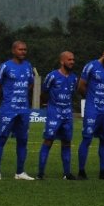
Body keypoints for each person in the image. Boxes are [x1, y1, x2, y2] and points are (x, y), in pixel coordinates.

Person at [0, 40, 35, 181]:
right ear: (13, 51)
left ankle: (20, 172)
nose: (23, 52)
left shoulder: (28, 66)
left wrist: (22, 97)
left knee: (23, 140)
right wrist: (6, 99)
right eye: (20, 49)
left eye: (25, 49)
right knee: (1, 139)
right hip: (8, 109)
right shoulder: (5, 66)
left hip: (23, 109)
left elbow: (30, 84)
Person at [78, 44, 104, 180]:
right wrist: (90, 99)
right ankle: (81, 171)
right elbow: (81, 85)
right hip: (92, 108)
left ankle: (103, 171)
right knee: (87, 138)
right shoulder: (91, 66)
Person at [38, 51, 78, 180]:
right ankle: (40, 173)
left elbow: (72, 94)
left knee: (66, 142)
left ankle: (67, 173)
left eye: (73, 60)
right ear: (62, 61)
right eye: (69, 59)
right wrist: (49, 105)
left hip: (67, 114)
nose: (72, 62)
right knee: (48, 141)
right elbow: (44, 93)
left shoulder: (74, 78)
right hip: (54, 113)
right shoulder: (52, 76)